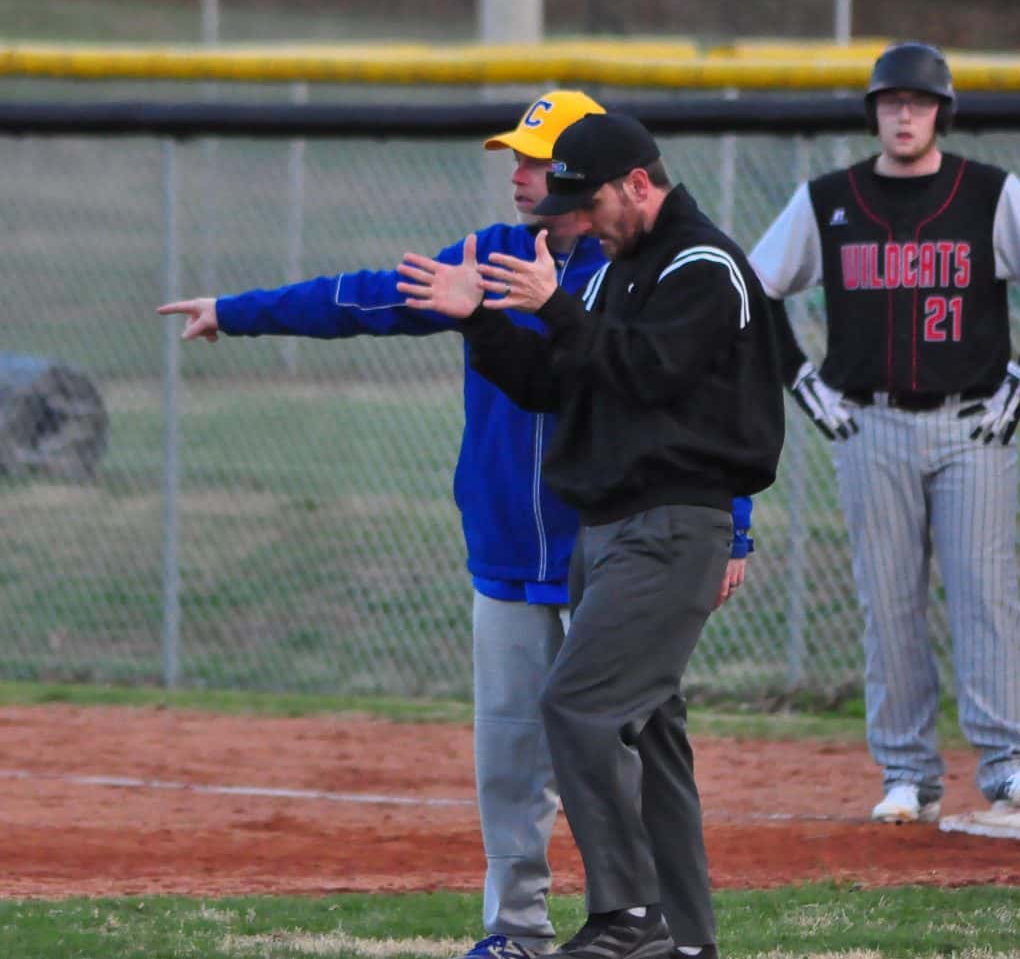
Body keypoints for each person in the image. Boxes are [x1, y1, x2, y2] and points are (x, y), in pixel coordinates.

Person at [157, 92, 756, 959]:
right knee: (512, 756)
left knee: (630, 743)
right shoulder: (491, 257)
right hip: (511, 549)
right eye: (518, 158)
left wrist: (735, 527)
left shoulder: (643, 267)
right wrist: (239, 309)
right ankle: (517, 930)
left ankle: (659, 929)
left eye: (538, 160)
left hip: (618, 545)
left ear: (596, 173)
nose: (520, 174)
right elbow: (363, 299)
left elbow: (700, 396)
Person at [396, 112, 784, 959]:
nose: (580, 221)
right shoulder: (617, 273)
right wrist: (481, 320)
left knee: (578, 704)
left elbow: (648, 373)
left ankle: (629, 912)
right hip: (607, 529)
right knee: (650, 729)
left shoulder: (702, 266)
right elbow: (555, 381)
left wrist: (557, 306)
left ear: (638, 185)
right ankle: (686, 940)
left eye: (589, 203)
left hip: (672, 524)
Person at [748, 41, 1020, 825]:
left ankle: (1007, 762)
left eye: (919, 101)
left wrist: (1019, 380)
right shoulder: (829, 199)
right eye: (892, 102)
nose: (905, 114)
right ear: (873, 112)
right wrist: (802, 380)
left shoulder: (991, 193)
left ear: (942, 112)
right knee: (888, 602)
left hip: (972, 424)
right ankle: (907, 771)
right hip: (869, 423)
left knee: (985, 597)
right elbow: (755, 285)